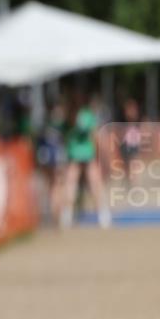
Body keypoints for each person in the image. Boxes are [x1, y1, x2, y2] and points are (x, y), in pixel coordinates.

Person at [61, 91, 111, 229]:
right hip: (87, 154)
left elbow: (65, 136)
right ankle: (103, 215)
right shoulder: (87, 114)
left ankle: (67, 216)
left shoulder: (68, 114)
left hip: (75, 154)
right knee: (94, 184)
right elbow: (94, 135)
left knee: (72, 184)